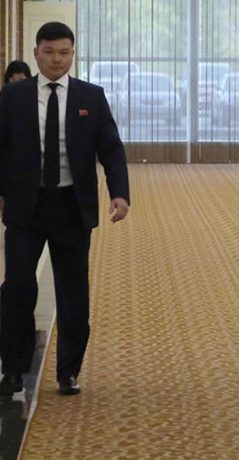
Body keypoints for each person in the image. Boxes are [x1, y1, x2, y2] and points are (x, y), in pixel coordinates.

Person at [0, 22, 130, 396]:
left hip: (71, 207)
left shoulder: (91, 96)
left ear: (72, 54)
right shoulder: (13, 97)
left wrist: (119, 193)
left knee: (73, 292)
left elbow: (111, 148)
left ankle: (68, 372)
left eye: (64, 53)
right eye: (49, 52)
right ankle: (13, 369)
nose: (57, 59)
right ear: (36, 53)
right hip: (26, 207)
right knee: (17, 287)